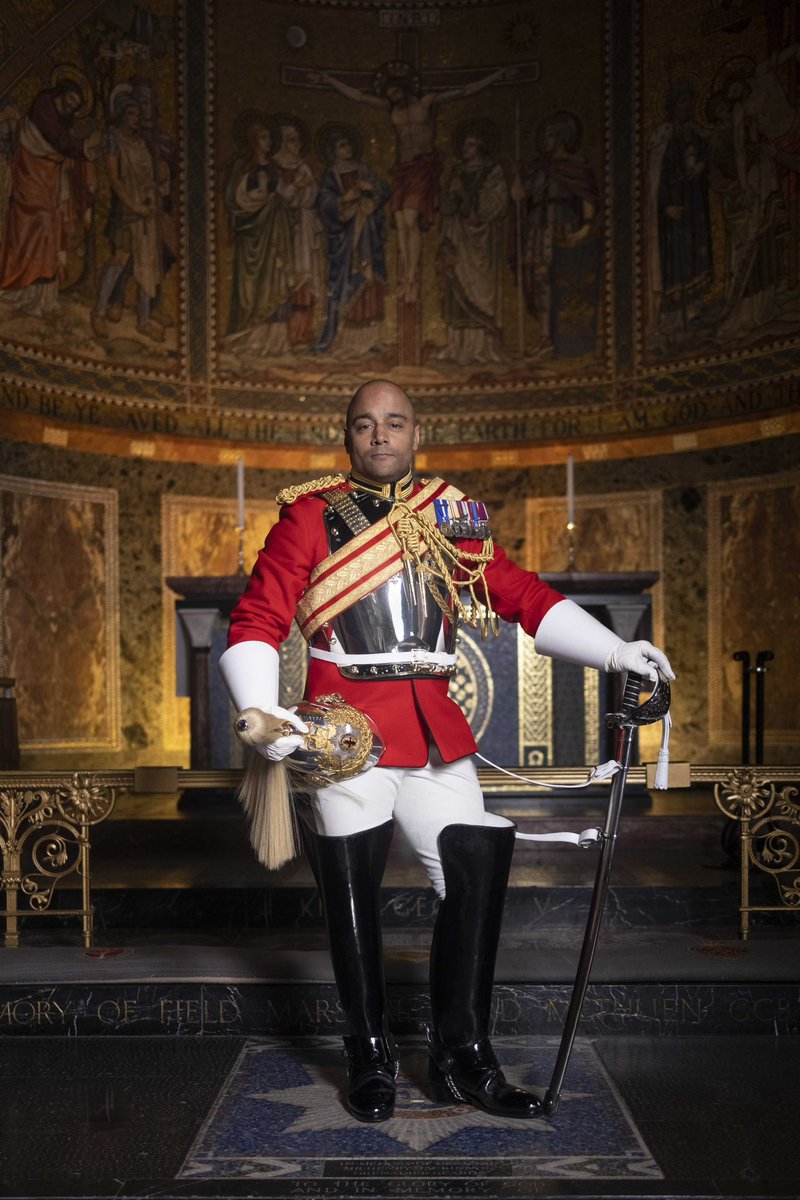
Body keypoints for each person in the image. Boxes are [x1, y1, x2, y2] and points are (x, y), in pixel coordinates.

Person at [219, 378, 674, 1124]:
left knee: (474, 878)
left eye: (394, 422)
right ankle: (370, 1057)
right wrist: (264, 715)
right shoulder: (307, 516)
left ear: (415, 432)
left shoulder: (450, 515)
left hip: (435, 733)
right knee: (352, 899)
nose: (379, 435)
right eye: (365, 424)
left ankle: (463, 1059)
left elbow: (523, 595)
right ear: (348, 435)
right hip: (346, 734)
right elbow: (259, 618)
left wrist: (618, 652)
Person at [314, 62, 507, 302]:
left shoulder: (426, 102)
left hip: (422, 167)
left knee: (410, 219)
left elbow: (465, 91)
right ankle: (405, 278)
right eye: (388, 94)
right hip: (402, 170)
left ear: (404, 87)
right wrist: (331, 80)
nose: (392, 97)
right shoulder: (389, 107)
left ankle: (413, 279)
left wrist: (495, 75)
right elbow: (359, 97)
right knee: (399, 222)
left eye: (394, 91)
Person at [0, 79, 100, 316]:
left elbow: (64, 144)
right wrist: (84, 145)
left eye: (76, 105)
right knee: (31, 226)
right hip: (30, 175)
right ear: (61, 93)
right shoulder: (44, 106)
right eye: (71, 99)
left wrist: (82, 150)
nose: (72, 106)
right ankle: (16, 287)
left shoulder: (64, 122)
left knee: (49, 227)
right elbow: (58, 140)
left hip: (48, 180)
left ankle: (42, 297)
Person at [92, 88, 167, 341]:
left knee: (147, 263)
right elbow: (114, 178)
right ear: (121, 114)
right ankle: (99, 312)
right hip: (126, 208)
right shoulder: (112, 138)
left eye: (138, 113)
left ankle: (144, 321)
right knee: (120, 257)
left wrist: (157, 190)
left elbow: (151, 177)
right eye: (131, 112)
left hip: (147, 210)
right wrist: (132, 205)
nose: (137, 117)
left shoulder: (142, 143)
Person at [312, 125, 390, 355]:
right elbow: (324, 202)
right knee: (345, 282)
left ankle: (370, 338)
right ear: (333, 150)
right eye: (342, 145)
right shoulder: (331, 175)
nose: (347, 148)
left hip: (367, 231)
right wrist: (344, 199)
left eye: (348, 143)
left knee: (370, 281)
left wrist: (371, 188)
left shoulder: (363, 169)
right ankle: (345, 340)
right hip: (344, 240)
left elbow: (384, 190)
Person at [435, 122, 508, 365]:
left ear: (481, 147)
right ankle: (457, 344)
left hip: (481, 238)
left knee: (479, 288)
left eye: (471, 144)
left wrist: (465, 194)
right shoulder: (457, 171)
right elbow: (444, 206)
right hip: (456, 236)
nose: (466, 149)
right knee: (454, 286)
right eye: (465, 144)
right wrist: (449, 192)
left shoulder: (492, 171)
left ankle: (481, 347)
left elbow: (494, 204)